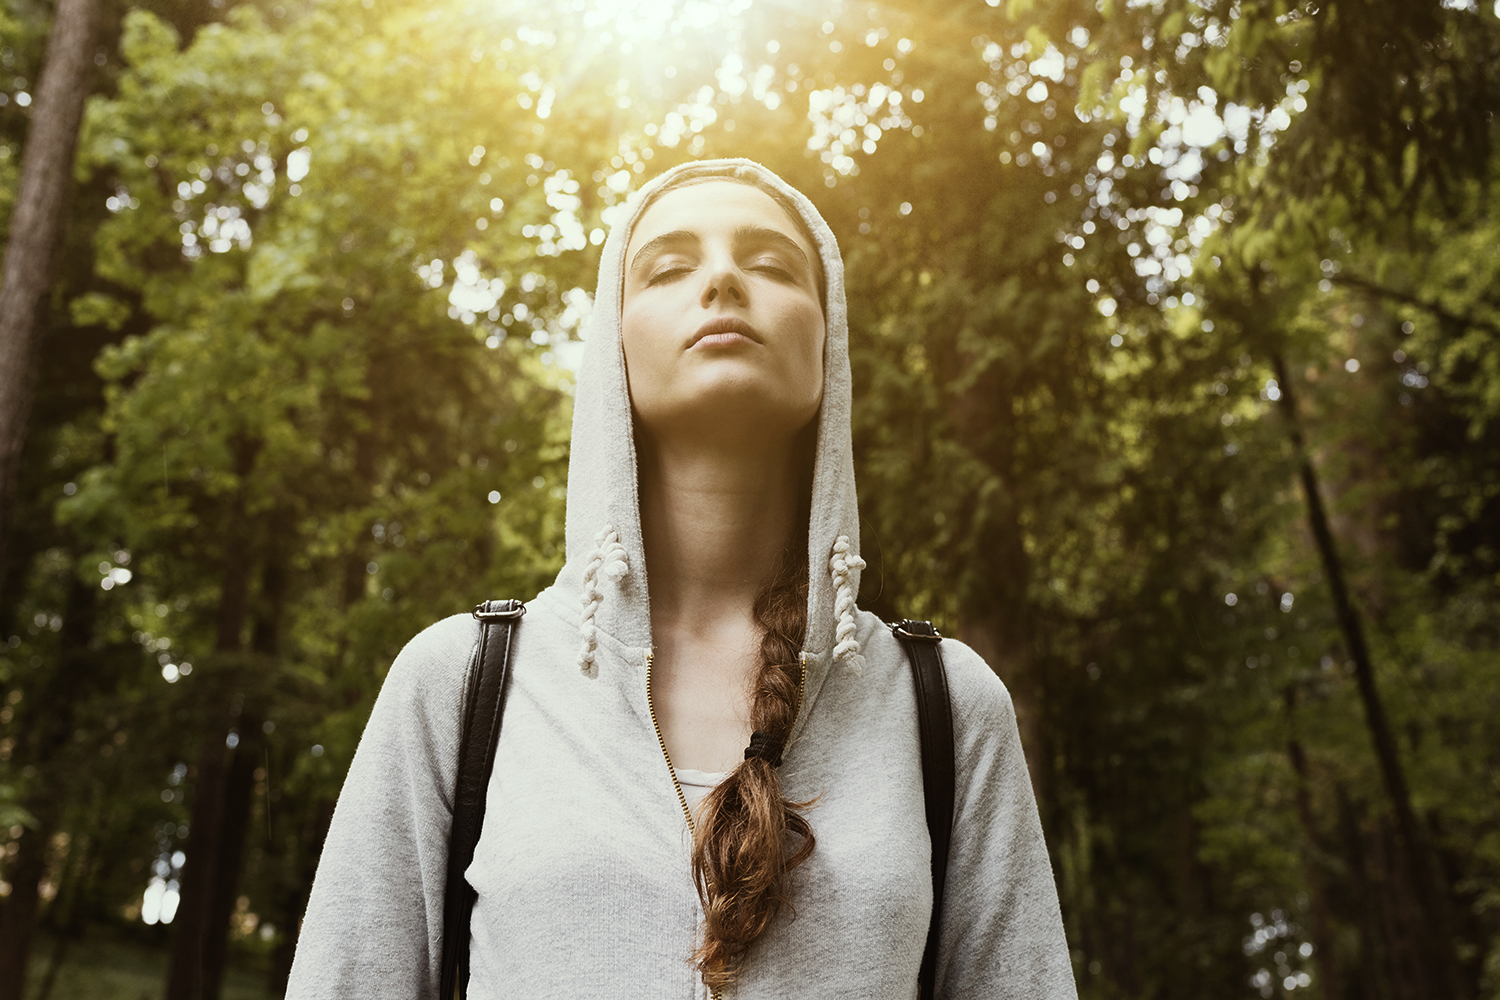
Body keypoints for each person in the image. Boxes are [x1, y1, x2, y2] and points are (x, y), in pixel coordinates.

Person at [287, 159, 1077, 999]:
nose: (725, 278)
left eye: (772, 265)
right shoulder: (459, 685)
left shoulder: (945, 706)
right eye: (668, 267)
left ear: (828, 340)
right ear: (613, 343)